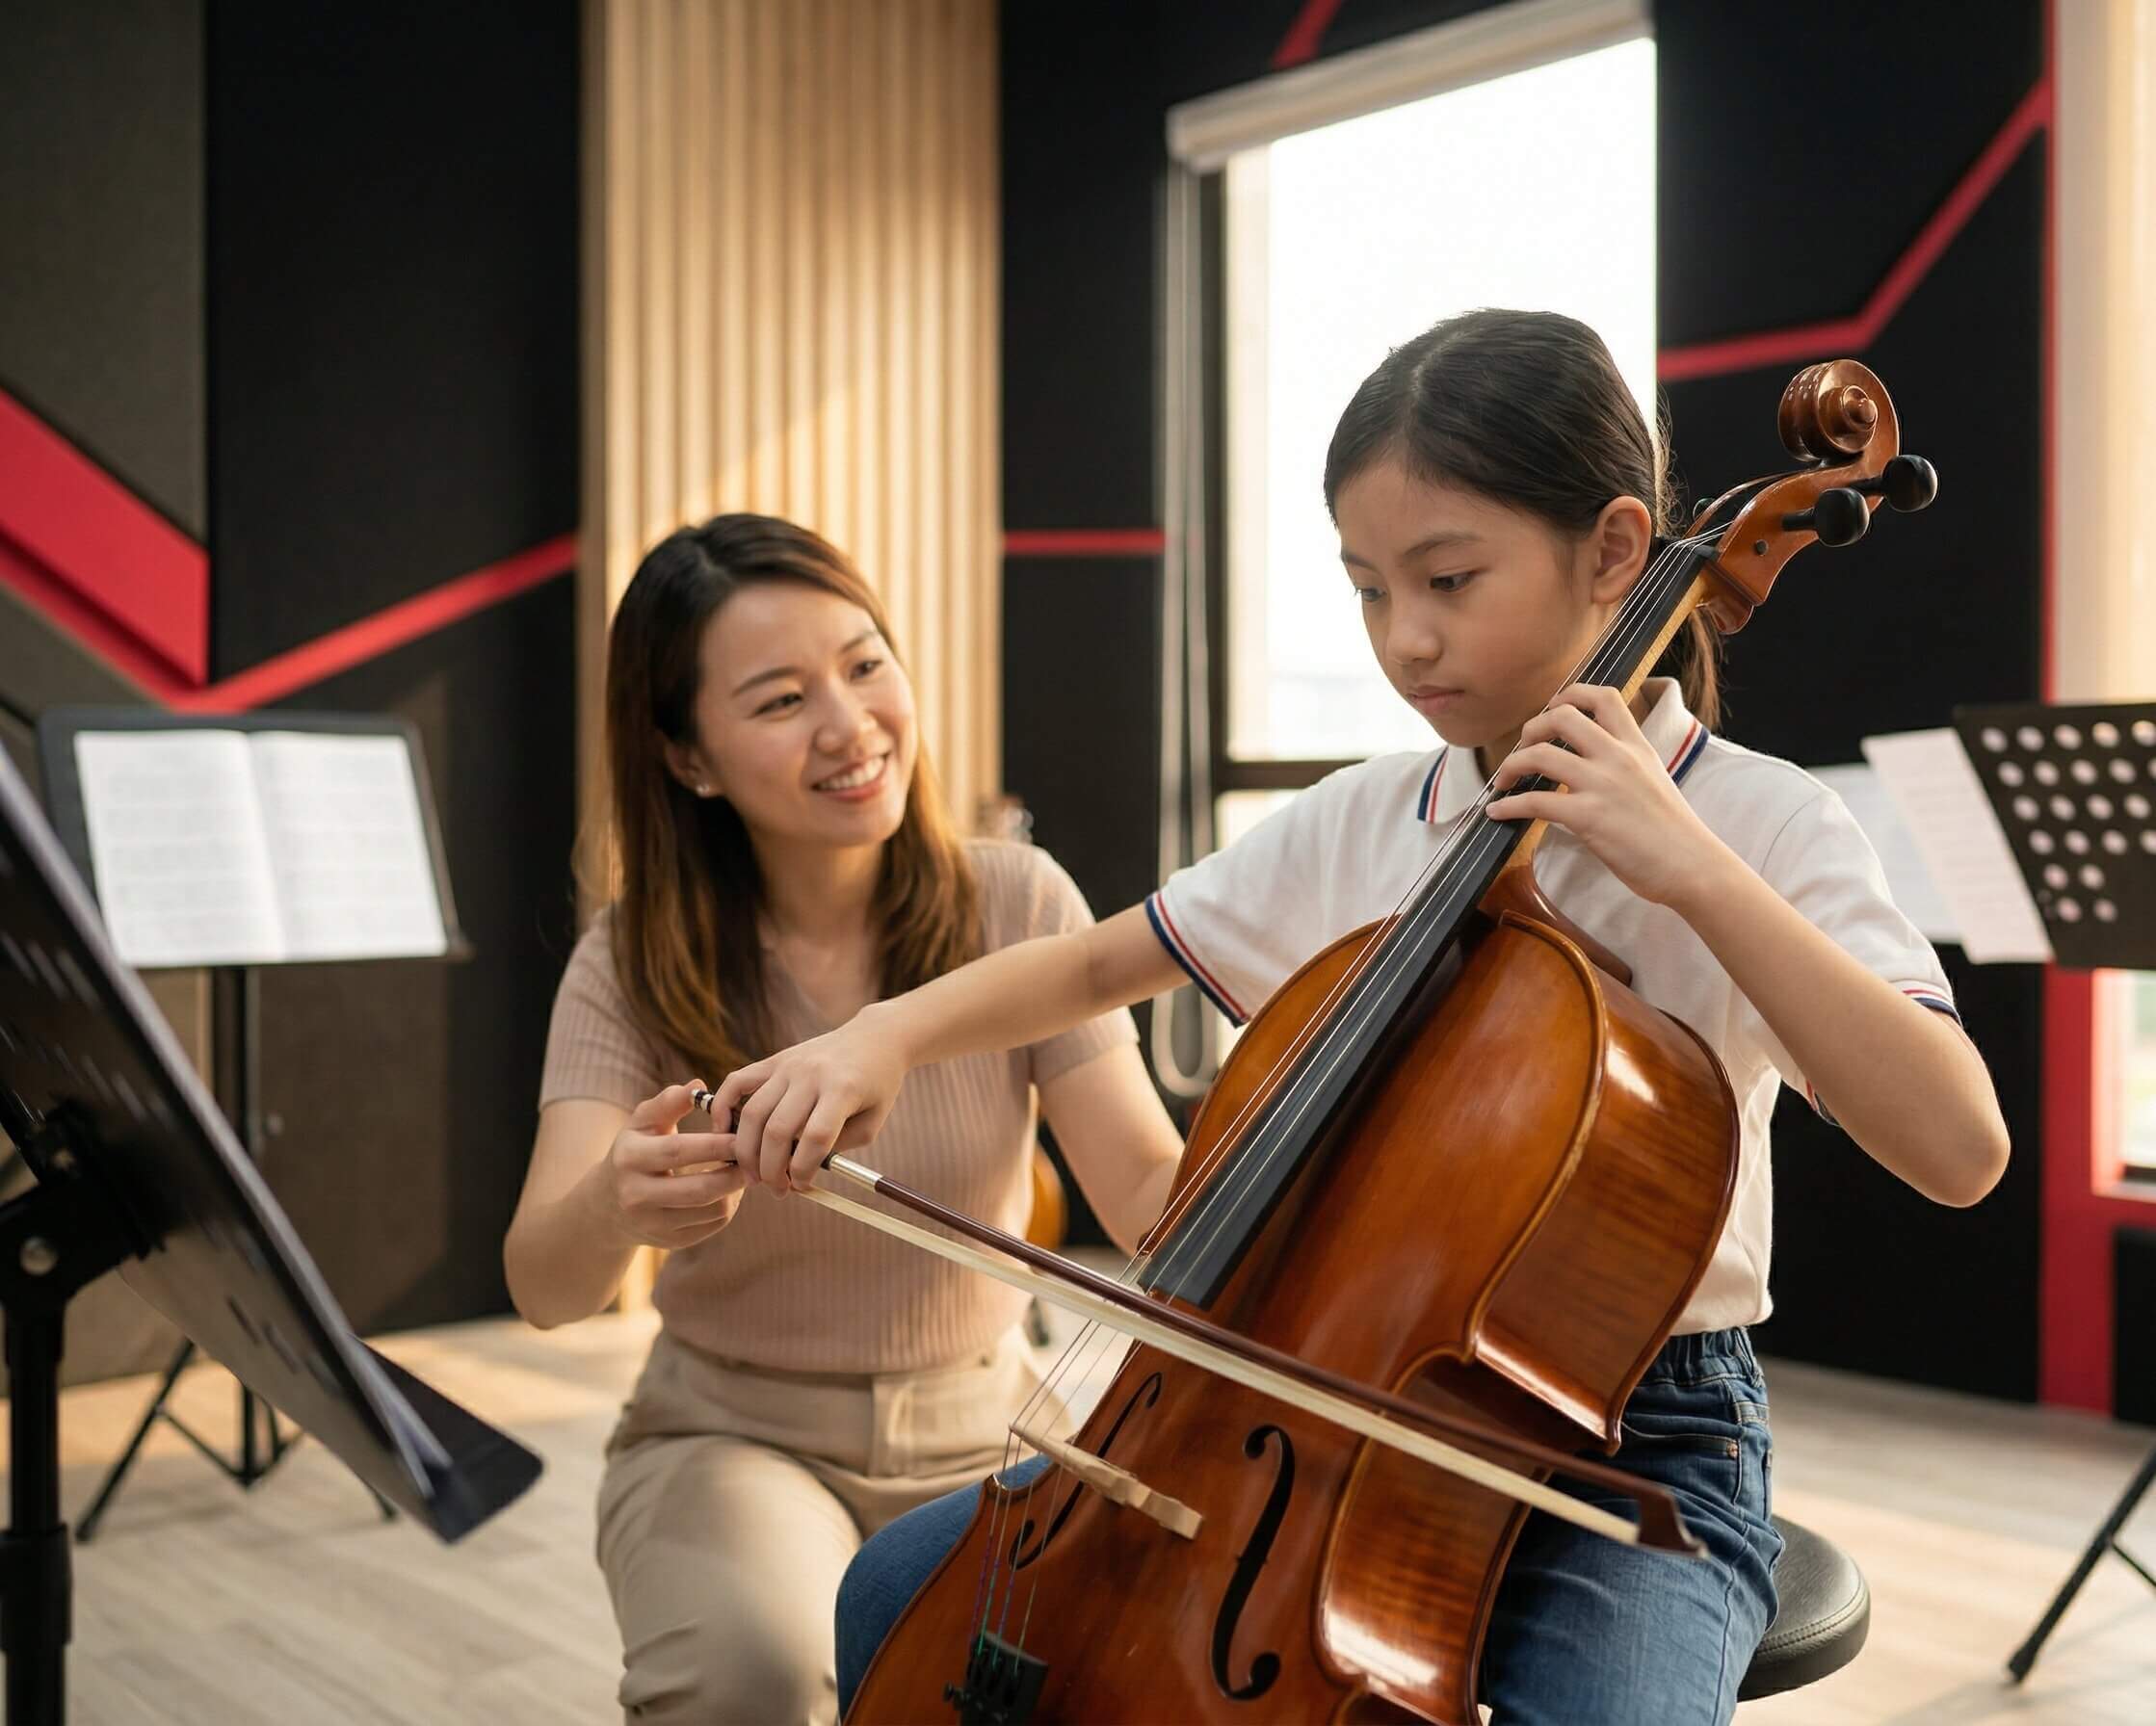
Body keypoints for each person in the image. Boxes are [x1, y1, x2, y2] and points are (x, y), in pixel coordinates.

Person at [705, 312, 2012, 1726]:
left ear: (1618, 551)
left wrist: (1689, 871)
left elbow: (1957, 1146)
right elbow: (1090, 970)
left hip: (1631, 1448)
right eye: (1368, 590)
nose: (1406, 638)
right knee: (904, 1591)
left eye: (1448, 579)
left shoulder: (1763, 821)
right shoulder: (1365, 818)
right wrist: (873, 1040)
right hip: (1311, 1396)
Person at [502, 512, 1182, 1725]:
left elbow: (1145, 1193)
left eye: (865, 663)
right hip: (733, 1437)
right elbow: (544, 1283)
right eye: (778, 701)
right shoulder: (632, 960)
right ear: (688, 757)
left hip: (995, 1434)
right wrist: (615, 1199)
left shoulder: (1018, 901)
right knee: (745, 1676)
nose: (850, 725)